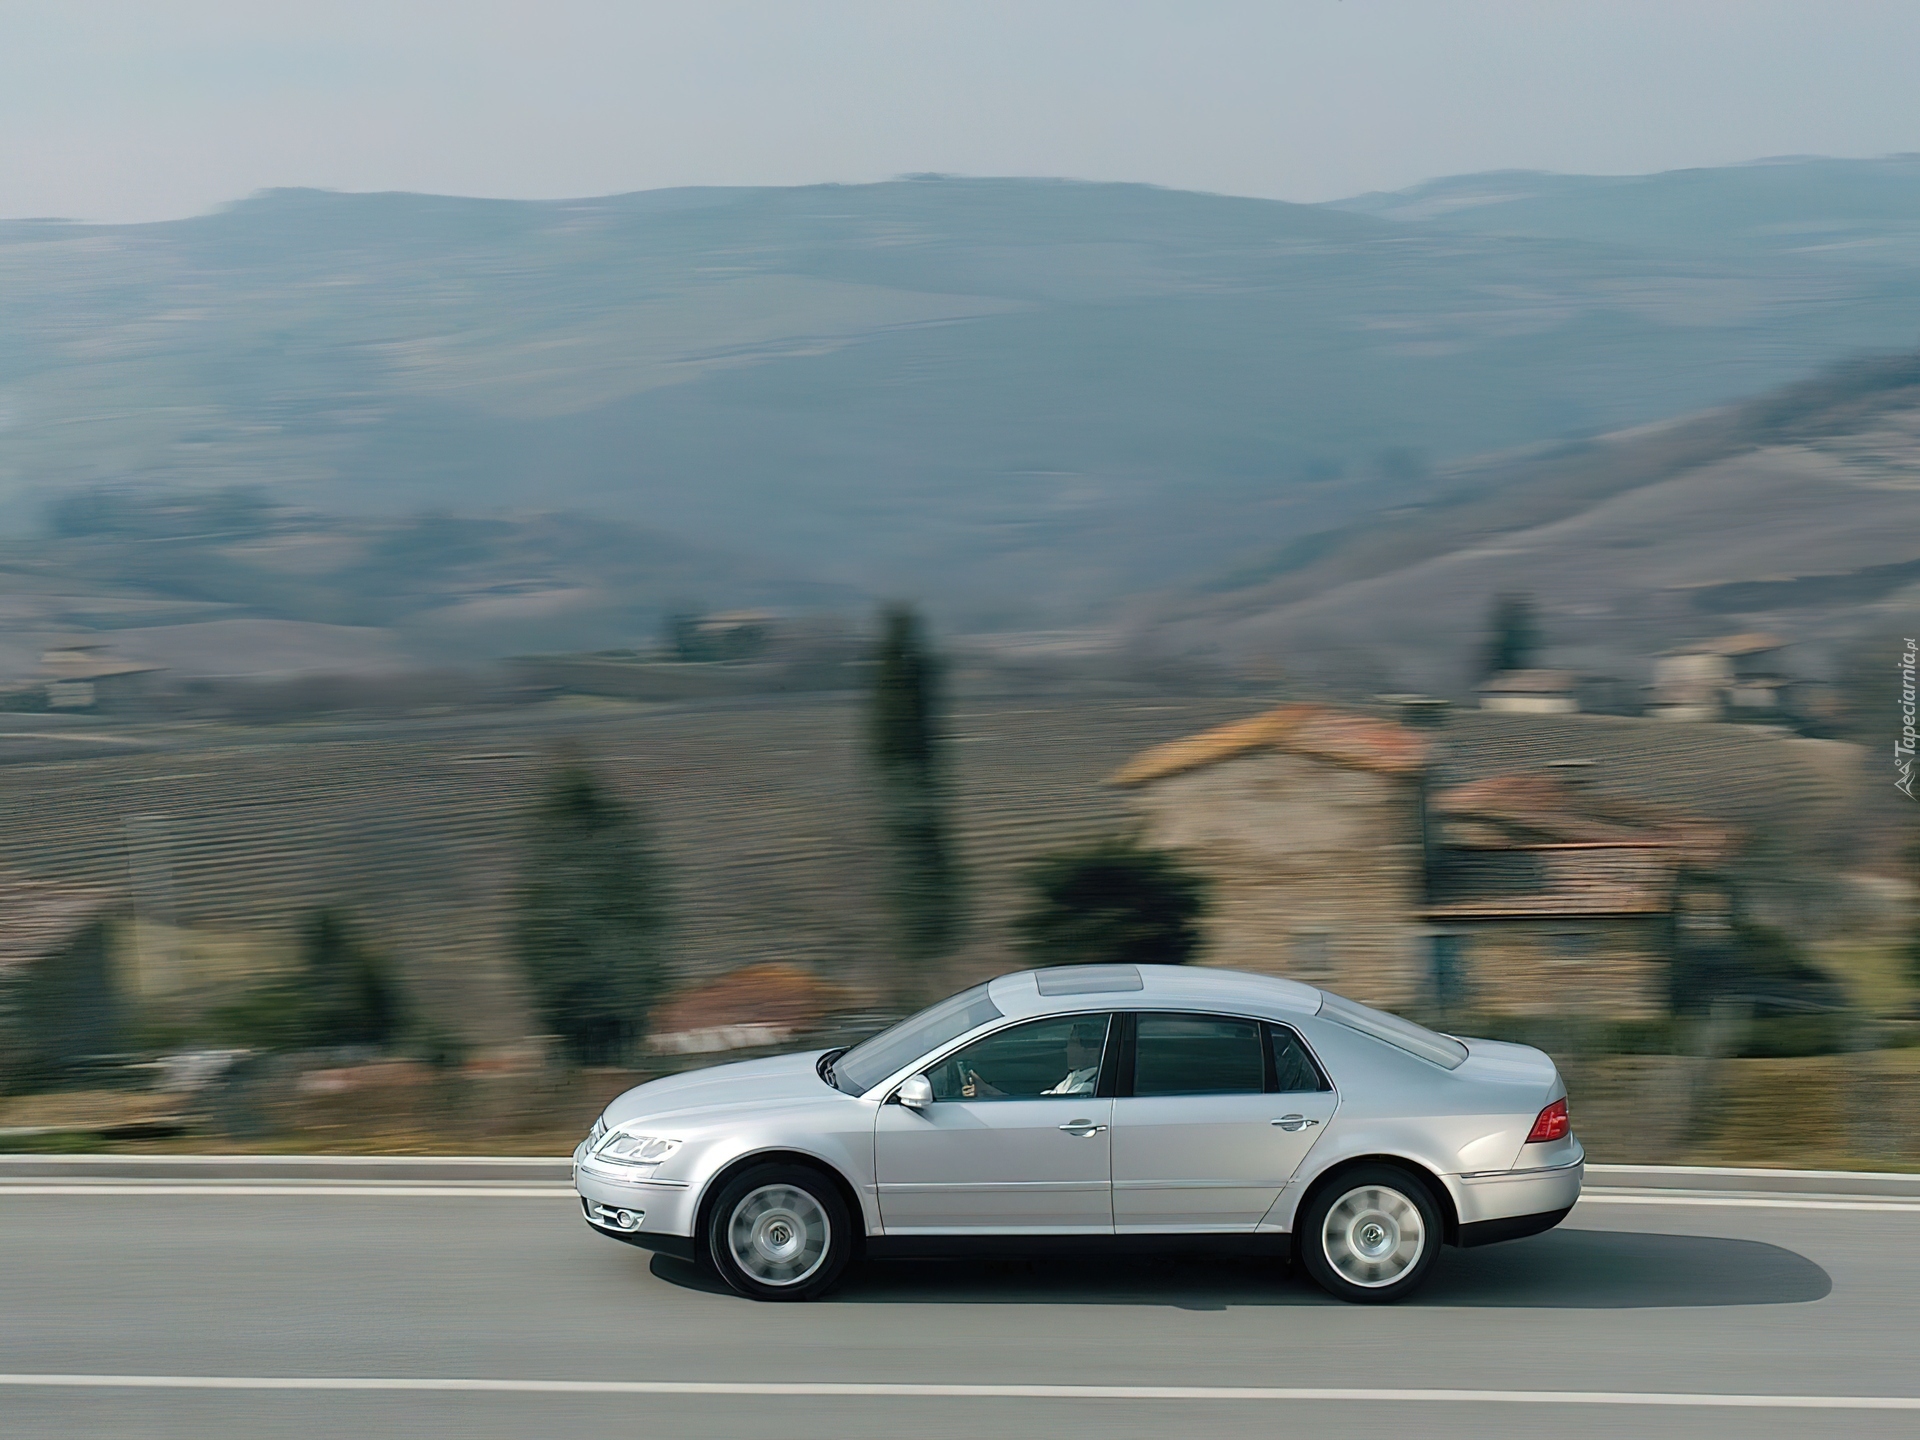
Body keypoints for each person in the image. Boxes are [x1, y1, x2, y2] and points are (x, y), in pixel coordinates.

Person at [963, 1020, 1104, 1099]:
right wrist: (990, 1092)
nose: (1067, 1048)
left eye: (1073, 1042)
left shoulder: (1087, 1088)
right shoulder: (1078, 1076)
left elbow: (1045, 1112)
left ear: (1092, 1049)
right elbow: (1042, 1102)